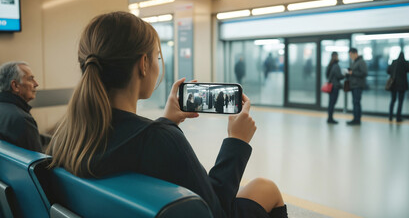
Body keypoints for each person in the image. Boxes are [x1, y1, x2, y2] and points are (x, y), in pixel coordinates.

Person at [46, 12, 287, 218]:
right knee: (266, 188)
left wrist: (166, 121)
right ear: (143, 64)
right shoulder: (162, 140)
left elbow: (132, 143)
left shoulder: (66, 135)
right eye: (157, 57)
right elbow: (214, 209)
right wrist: (237, 142)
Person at [0, 61, 49, 152]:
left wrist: (55, 141)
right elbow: (38, 163)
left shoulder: (4, 111)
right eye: (30, 79)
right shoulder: (22, 119)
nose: (36, 84)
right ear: (15, 86)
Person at [387, 52, 409, 122]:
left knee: (393, 100)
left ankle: (390, 116)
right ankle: (398, 117)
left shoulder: (394, 62)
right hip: (402, 85)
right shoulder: (405, 63)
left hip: (393, 84)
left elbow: (388, 71)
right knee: (400, 102)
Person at [347, 48, 368, 125]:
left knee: (356, 102)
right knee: (355, 102)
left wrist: (353, 73)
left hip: (358, 85)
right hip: (353, 85)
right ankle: (355, 118)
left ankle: (357, 119)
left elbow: (364, 73)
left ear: (355, 53)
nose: (350, 57)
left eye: (351, 55)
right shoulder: (354, 62)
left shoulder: (361, 62)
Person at [326, 52, 345, 124]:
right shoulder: (335, 65)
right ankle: (330, 118)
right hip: (335, 87)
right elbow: (338, 76)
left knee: (331, 102)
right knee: (332, 103)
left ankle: (330, 118)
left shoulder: (330, 65)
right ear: (336, 56)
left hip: (331, 86)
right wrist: (344, 75)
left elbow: (327, 75)